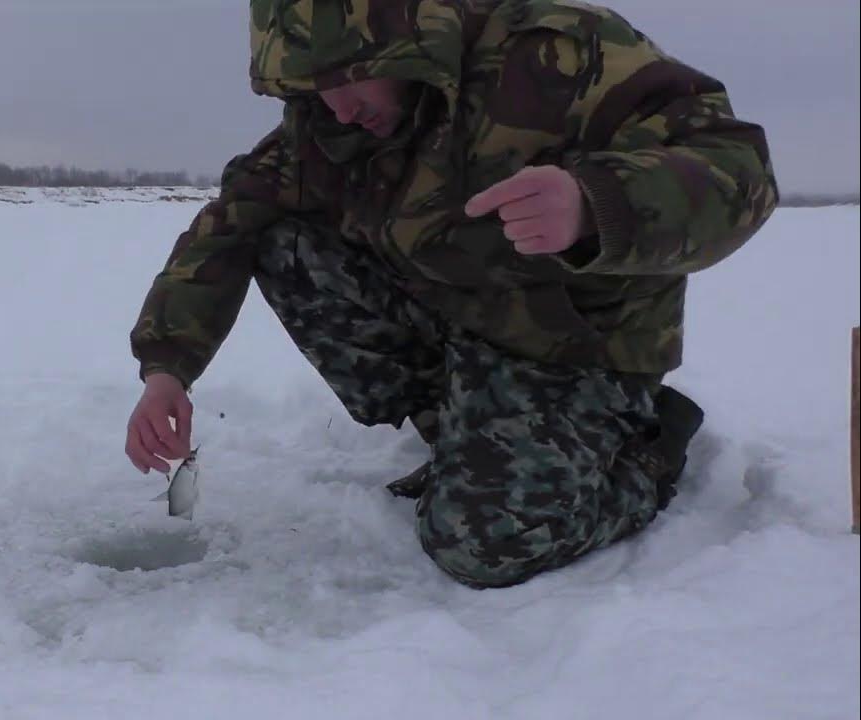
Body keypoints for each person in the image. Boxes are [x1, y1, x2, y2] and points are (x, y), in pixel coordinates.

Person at [125, 0, 778, 588]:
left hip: (578, 343)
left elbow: (737, 166)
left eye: (348, 76)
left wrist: (596, 204)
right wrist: (166, 369)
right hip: (462, 324)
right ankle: (461, 434)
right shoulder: (328, 125)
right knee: (282, 240)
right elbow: (228, 227)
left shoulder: (558, 54)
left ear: (399, 33)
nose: (336, 106)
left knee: (484, 548)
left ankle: (648, 446)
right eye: (312, 85)